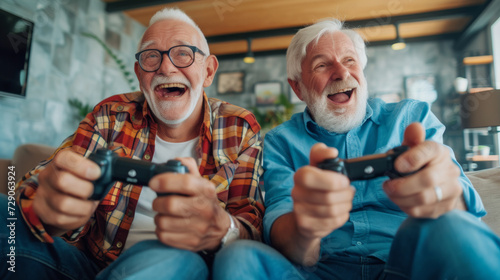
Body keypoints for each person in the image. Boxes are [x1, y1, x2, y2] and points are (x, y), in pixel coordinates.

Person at [215, 18, 500, 279]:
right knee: (239, 257)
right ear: (298, 88)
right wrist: (307, 226)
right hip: (320, 270)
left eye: (349, 60)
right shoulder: (281, 140)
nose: (341, 73)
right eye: (322, 65)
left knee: (454, 228)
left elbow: (466, 206)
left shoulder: (412, 117)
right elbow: (288, 241)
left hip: (409, 262)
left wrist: (445, 196)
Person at [0, 8, 264, 280]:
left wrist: (223, 228)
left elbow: (252, 231)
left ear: (208, 71)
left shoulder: (239, 128)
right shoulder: (111, 115)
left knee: (176, 257)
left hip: (178, 265)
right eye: (151, 56)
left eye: (183, 53)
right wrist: (47, 206)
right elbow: (29, 188)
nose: (166, 67)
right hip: (85, 265)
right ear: (140, 74)